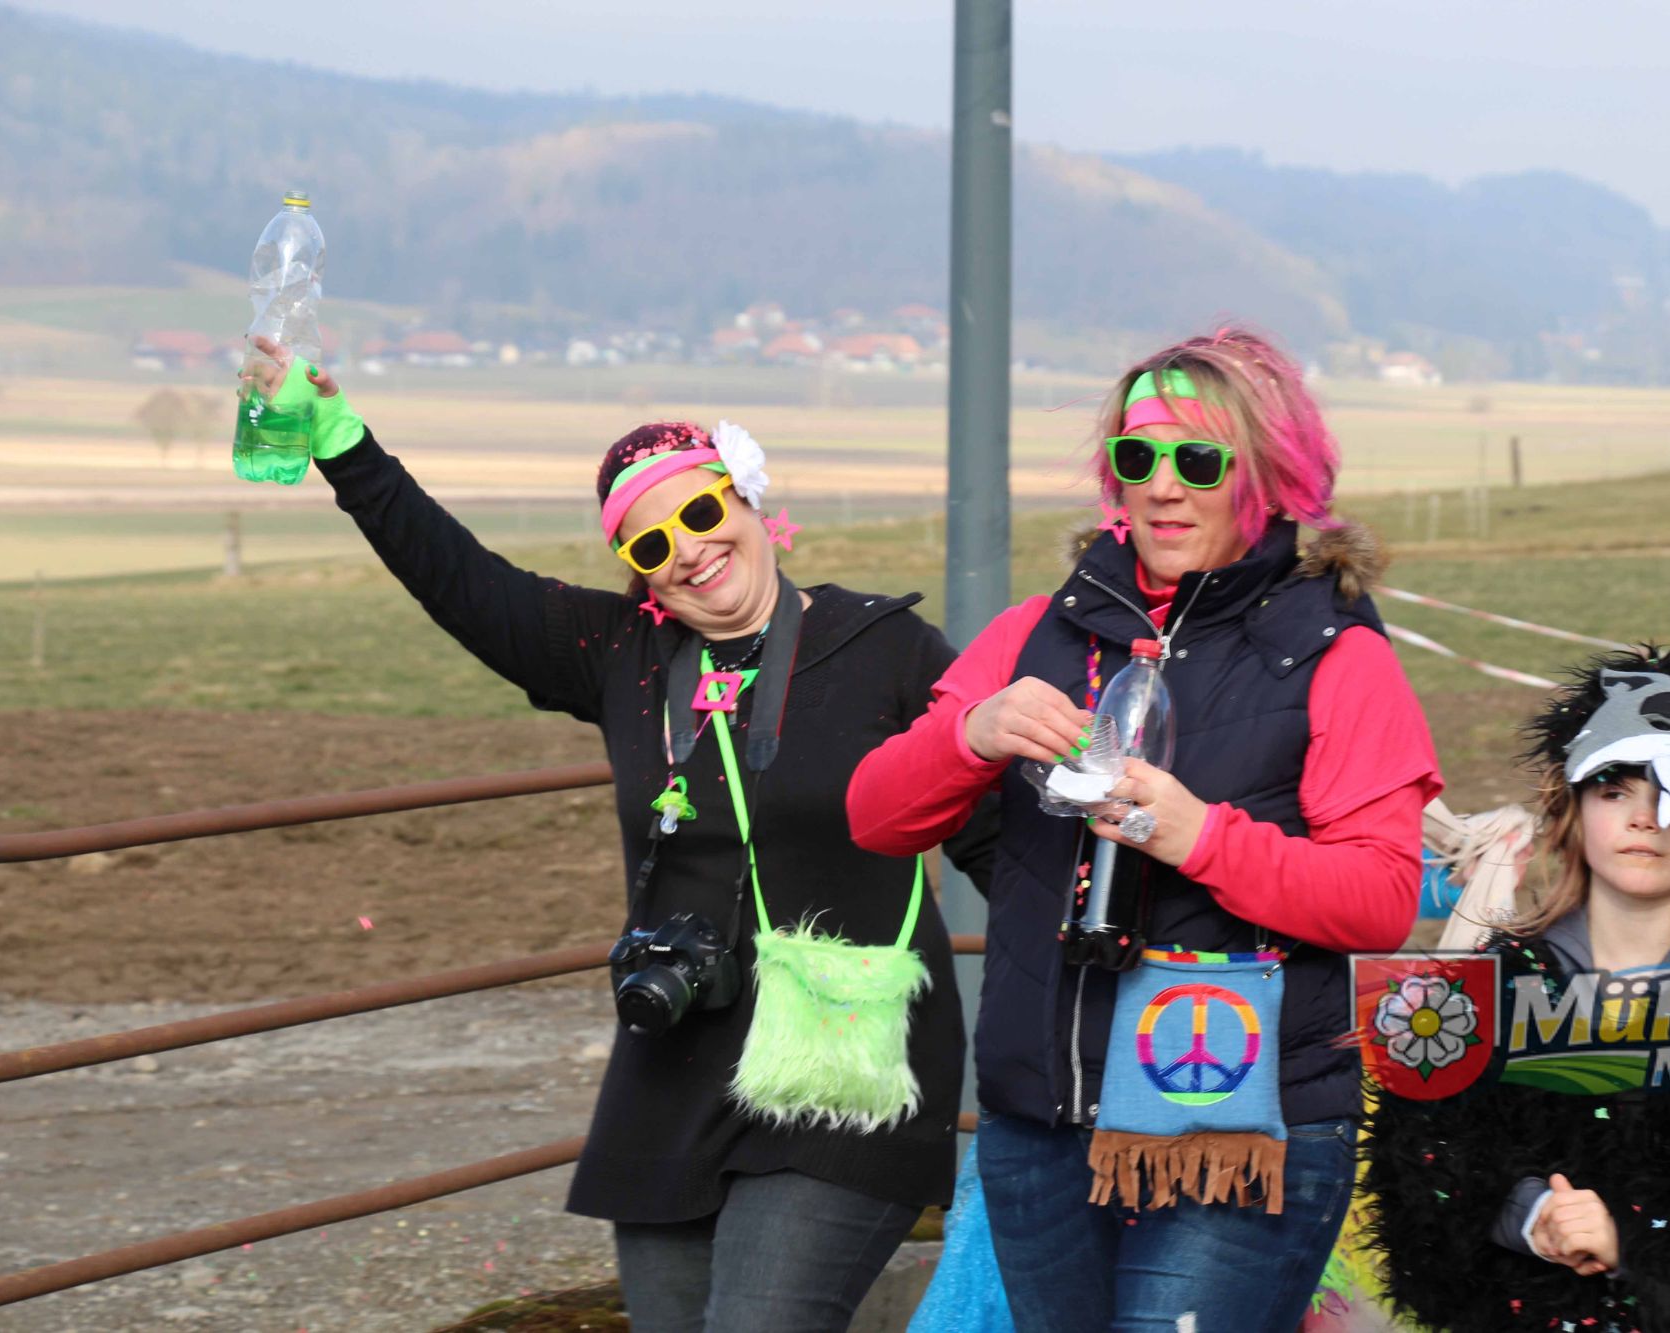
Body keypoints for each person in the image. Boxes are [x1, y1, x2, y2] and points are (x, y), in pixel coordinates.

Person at [243, 341, 994, 1333]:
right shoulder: (623, 655)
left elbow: (997, 836)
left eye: (701, 513)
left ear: (747, 499)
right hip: (676, 1065)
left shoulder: (885, 649)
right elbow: (460, 579)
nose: (687, 550)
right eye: (649, 545)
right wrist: (342, 442)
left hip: (843, 1068)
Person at [848, 329, 1442, 1331]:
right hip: (1044, 1123)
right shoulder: (1035, 632)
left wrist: (1199, 836)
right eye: (1137, 456)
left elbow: (1381, 896)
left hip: (1238, 1130)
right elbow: (875, 816)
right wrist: (970, 732)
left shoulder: (1335, 654)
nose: (1162, 486)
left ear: (1267, 475)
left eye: (1198, 460)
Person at [1361, 647, 1670, 1333]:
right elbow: (1418, 1180)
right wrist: (1534, 1216)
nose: (1645, 819)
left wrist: (1635, 1239)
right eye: (1613, 790)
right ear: (1570, 813)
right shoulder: (1473, 1001)